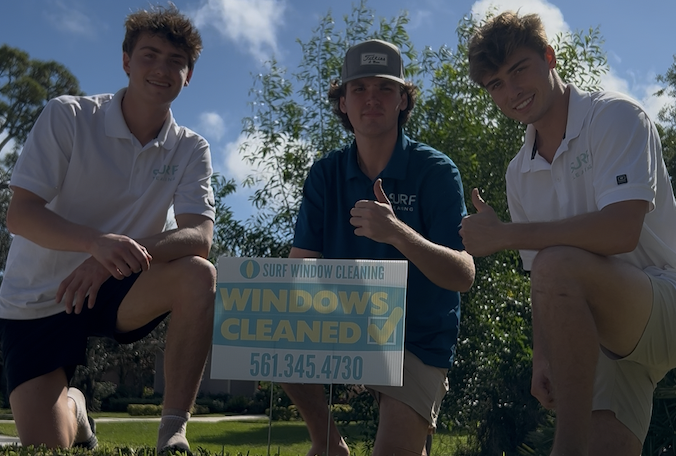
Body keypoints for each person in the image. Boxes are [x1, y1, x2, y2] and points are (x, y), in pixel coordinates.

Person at [0, 4, 216, 454]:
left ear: (189, 75)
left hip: (117, 287)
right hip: (39, 298)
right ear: (125, 61)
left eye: (176, 61)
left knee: (198, 274)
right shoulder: (68, 116)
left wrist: (107, 261)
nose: (162, 69)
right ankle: (76, 409)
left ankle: (172, 431)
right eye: (149, 55)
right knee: (48, 447)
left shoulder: (191, 147)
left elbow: (200, 236)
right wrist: (93, 244)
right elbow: (20, 215)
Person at [460, 11, 676, 456]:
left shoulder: (615, 117)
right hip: (602, 332)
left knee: (558, 261)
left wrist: (504, 235)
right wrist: (544, 356)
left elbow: (621, 232)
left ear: (549, 57)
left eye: (519, 69)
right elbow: (542, 279)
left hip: (665, 300)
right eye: (496, 84)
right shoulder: (518, 173)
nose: (512, 92)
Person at [282, 39, 475, 456]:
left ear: (403, 100)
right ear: (343, 103)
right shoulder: (325, 174)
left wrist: (397, 233)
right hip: (345, 330)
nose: (372, 98)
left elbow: (464, 274)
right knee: (271, 319)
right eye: (359, 89)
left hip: (415, 340)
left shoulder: (436, 171)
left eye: (385, 88)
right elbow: (299, 273)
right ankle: (329, 444)